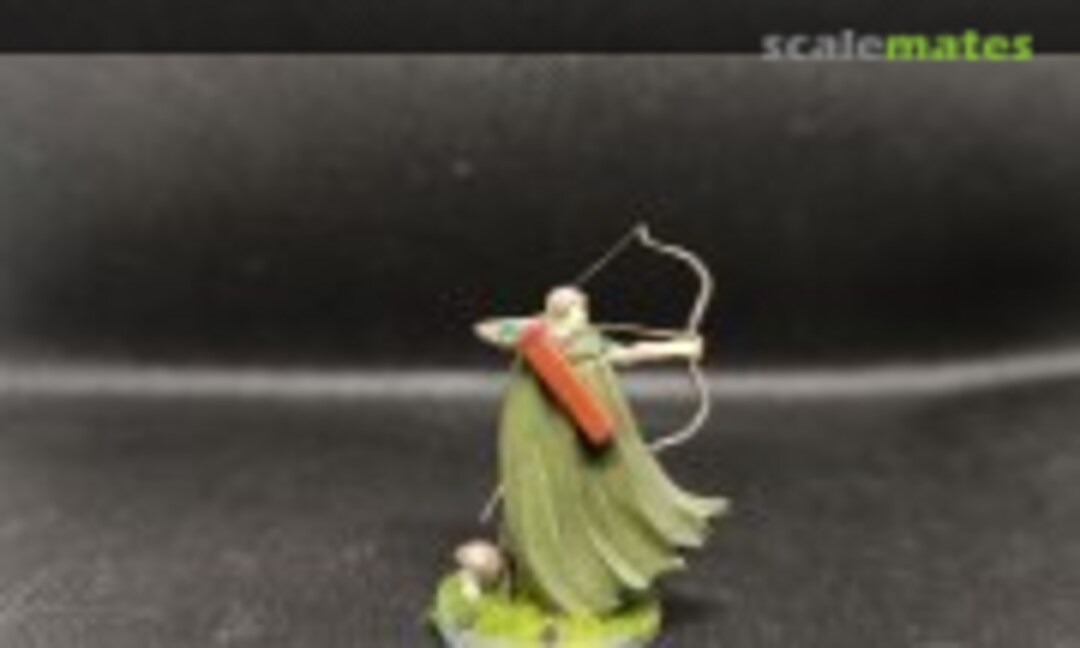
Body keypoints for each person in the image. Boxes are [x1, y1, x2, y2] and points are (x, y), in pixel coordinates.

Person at [474, 285, 728, 616]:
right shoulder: (533, 340)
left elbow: (630, 353)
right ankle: (545, 582)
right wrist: (538, 328)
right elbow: (487, 328)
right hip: (540, 436)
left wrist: (679, 348)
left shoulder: (588, 342)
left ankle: (595, 574)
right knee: (548, 499)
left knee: (597, 495)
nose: (584, 317)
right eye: (578, 310)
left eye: (584, 309)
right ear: (560, 313)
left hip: (587, 438)